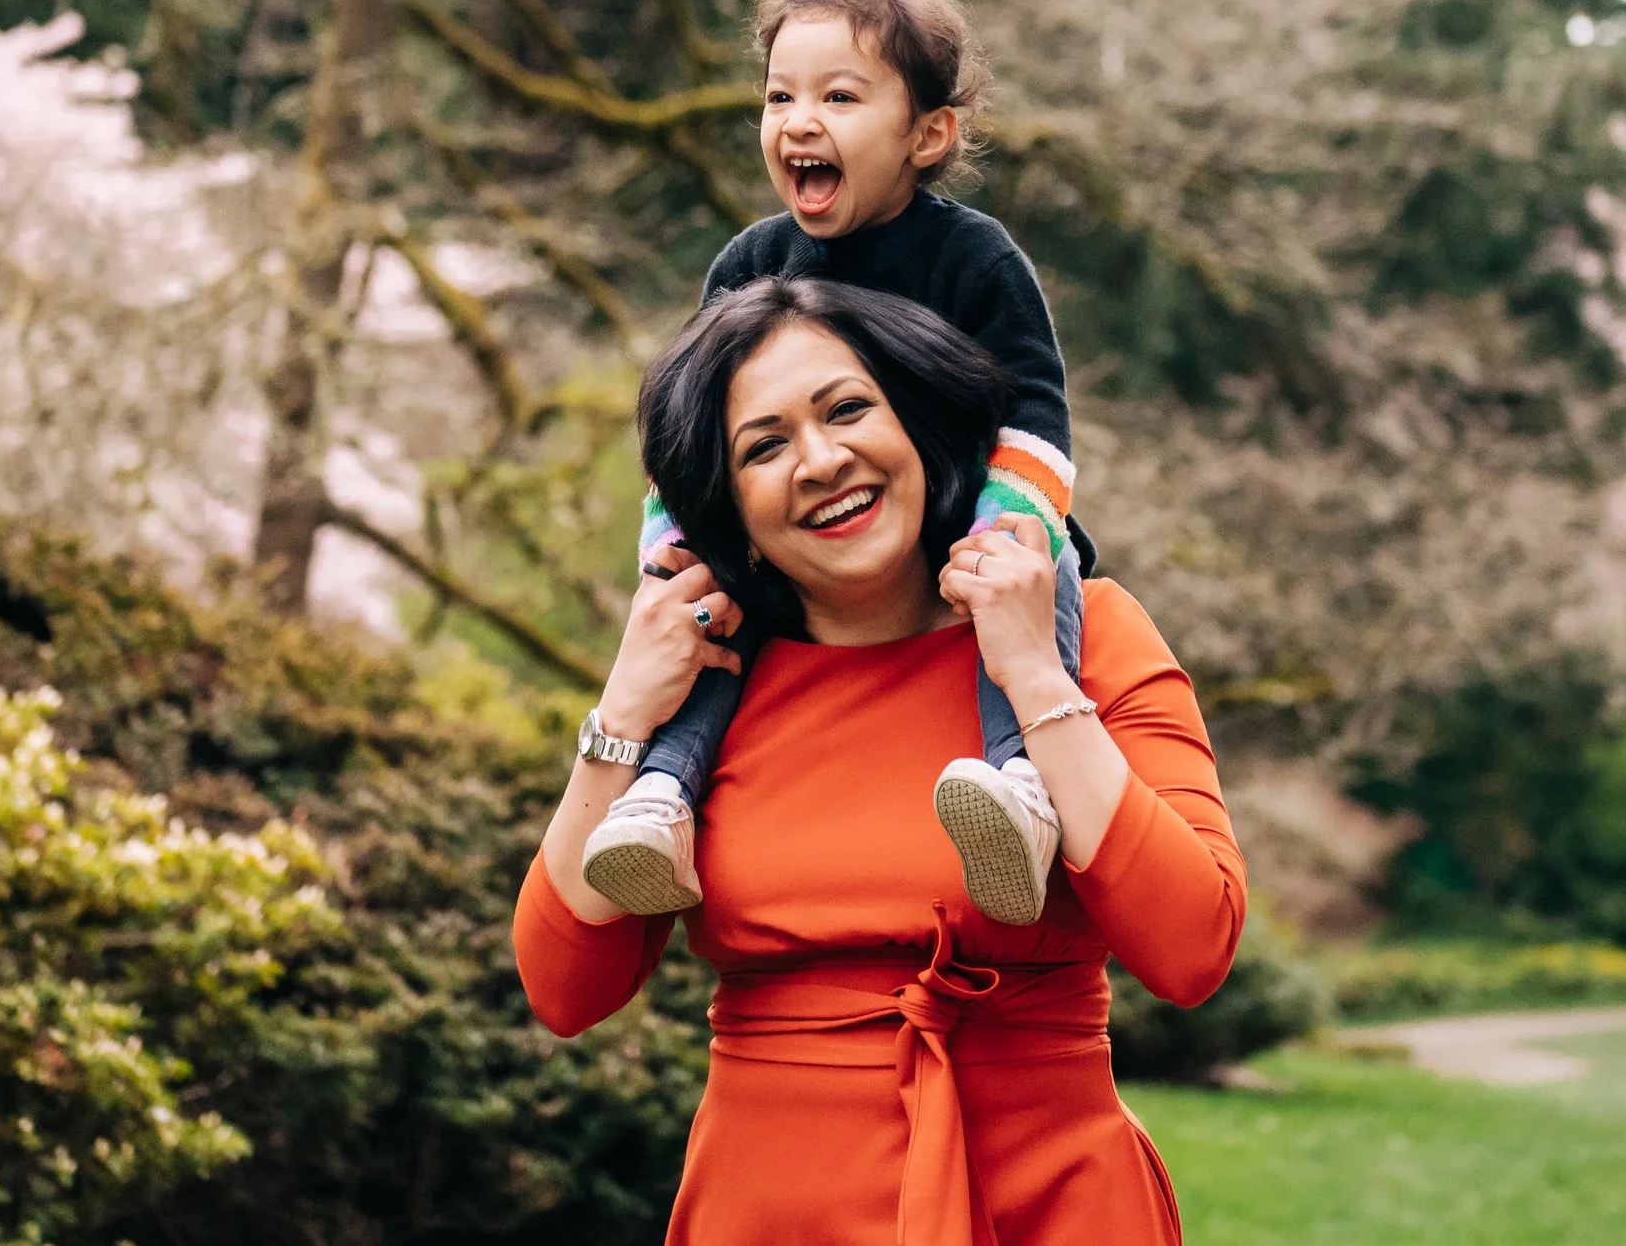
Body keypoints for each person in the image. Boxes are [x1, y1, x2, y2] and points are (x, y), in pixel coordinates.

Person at [517, 278, 1244, 1245]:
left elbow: (1194, 947)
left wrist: (1031, 673)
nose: (821, 461)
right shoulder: (707, 684)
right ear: (725, 508)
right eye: (764, 446)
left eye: (848, 408)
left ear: (920, 421)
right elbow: (566, 990)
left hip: (1052, 1201)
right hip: (770, 1207)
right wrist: (622, 713)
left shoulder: (1087, 634)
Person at [584, 0, 1089, 928]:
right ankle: (663, 794)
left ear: (928, 133)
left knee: (1046, 567)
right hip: (818, 540)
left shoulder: (974, 259)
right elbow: (690, 428)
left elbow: (1038, 416)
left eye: (840, 99)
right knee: (710, 604)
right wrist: (669, 548)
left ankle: (1021, 783)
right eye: (779, 99)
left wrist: (1007, 526)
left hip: (974, 522)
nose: (799, 122)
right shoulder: (749, 262)